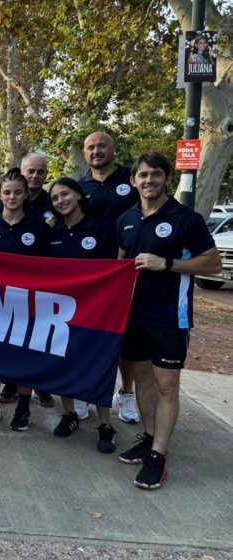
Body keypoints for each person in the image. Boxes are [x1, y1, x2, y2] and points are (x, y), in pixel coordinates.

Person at [116, 153, 220, 490]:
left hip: (169, 318)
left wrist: (168, 263)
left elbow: (213, 264)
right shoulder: (126, 219)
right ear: (133, 180)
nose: (148, 180)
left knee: (166, 386)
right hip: (135, 315)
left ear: (167, 178)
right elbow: (119, 267)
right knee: (143, 378)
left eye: (155, 174)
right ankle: (149, 437)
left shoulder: (186, 219)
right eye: (142, 175)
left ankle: (159, 456)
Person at [0, 168, 50, 431]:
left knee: (24, 356)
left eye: (18, 192)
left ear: (26, 193)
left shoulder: (39, 226)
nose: (12, 197)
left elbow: (50, 267)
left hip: (28, 303)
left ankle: (23, 408)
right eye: (7, 192)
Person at [47, 177, 118, 452]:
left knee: (97, 365)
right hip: (62, 311)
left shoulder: (101, 229)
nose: (60, 201)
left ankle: (105, 424)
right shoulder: (52, 233)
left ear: (78, 195)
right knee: (64, 361)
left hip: (97, 311)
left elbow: (114, 271)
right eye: (55, 198)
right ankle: (70, 414)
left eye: (65, 194)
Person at [80, 131, 141, 424]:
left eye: (101, 146)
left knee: (123, 339)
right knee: (87, 335)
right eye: (90, 148)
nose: (96, 151)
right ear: (84, 154)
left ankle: (125, 394)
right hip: (89, 276)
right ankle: (83, 392)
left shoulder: (133, 180)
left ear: (113, 148)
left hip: (127, 273)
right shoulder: (80, 187)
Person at [0, 152, 57, 408]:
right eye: (30, 171)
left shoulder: (53, 201)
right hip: (10, 286)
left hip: (41, 282)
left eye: (40, 172)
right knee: (11, 335)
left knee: (39, 337)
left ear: (46, 175)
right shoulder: (7, 197)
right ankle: (10, 382)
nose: (35, 176)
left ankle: (40, 384)